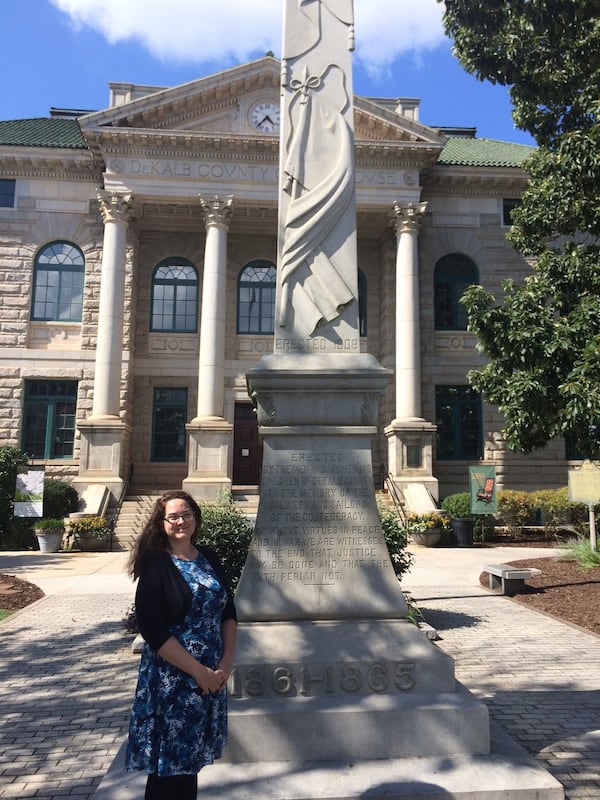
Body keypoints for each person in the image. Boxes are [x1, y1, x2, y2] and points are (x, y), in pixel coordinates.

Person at [125, 490, 237, 800]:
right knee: (167, 768)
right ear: (161, 523)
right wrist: (198, 671)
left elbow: (228, 611)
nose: (181, 521)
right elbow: (153, 629)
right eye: (173, 516)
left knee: (189, 763)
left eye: (186, 514)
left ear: (196, 518)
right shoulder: (156, 565)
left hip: (210, 677)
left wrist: (225, 663)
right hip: (172, 680)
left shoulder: (208, 557)